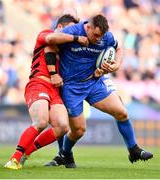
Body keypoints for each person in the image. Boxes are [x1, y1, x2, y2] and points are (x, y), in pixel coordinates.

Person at [45, 14, 153, 168]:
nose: (97, 39)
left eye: (100, 36)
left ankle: (133, 149)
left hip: (94, 82)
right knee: (79, 130)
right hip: (71, 87)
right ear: (87, 27)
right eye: (95, 35)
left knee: (122, 112)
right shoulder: (73, 30)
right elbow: (49, 41)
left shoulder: (106, 37)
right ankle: (65, 153)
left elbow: (119, 49)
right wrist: (75, 39)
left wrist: (116, 65)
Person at [4, 14, 88, 170]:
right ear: (61, 27)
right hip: (38, 83)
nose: (73, 32)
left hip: (55, 90)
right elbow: (50, 41)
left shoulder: (66, 49)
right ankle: (14, 159)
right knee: (41, 121)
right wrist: (76, 38)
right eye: (71, 28)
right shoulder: (45, 33)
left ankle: (26, 152)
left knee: (63, 127)